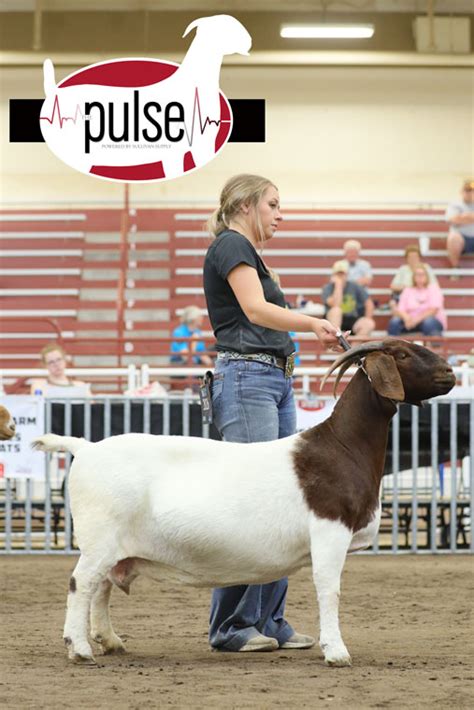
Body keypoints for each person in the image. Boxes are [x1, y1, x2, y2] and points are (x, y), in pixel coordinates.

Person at [203, 173, 342, 653]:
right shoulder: (230, 247)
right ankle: (231, 626)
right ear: (245, 206)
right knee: (252, 502)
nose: (281, 214)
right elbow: (256, 311)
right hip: (248, 377)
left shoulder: (246, 252)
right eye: (274, 205)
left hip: (268, 379)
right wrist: (310, 322)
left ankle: (269, 618)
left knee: (282, 501)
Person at [387, 264, 447, 337]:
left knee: (429, 322)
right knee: (394, 321)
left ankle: (434, 347)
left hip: (428, 320)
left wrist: (416, 320)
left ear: (427, 276)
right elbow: (400, 309)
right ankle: (392, 346)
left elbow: (433, 310)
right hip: (409, 321)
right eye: (417, 275)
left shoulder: (433, 288)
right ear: (413, 277)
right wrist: (406, 318)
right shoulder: (408, 290)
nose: (420, 277)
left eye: (422, 274)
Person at [322, 261, 375, 337]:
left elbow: (369, 303)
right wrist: (338, 286)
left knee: (369, 323)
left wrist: (367, 318)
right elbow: (335, 304)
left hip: (352, 319)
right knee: (336, 310)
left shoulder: (354, 286)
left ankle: (353, 348)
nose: (340, 277)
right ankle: (333, 345)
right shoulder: (328, 288)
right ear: (333, 275)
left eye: (342, 274)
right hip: (333, 321)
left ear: (346, 275)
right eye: (338, 274)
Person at [389, 244, 438, 309]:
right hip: (406, 299)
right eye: (410, 257)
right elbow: (393, 286)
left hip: (423, 298)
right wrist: (407, 288)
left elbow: (434, 285)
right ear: (406, 258)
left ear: (419, 257)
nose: (413, 259)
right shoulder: (403, 269)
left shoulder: (426, 268)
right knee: (393, 303)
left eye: (415, 257)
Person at [446, 179, 474, 268]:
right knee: (453, 238)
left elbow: (459, 219)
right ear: (462, 192)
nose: (470, 193)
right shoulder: (455, 204)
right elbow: (453, 220)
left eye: (472, 190)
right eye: (468, 190)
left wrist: (464, 217)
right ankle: (455, 268)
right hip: (462, 238)